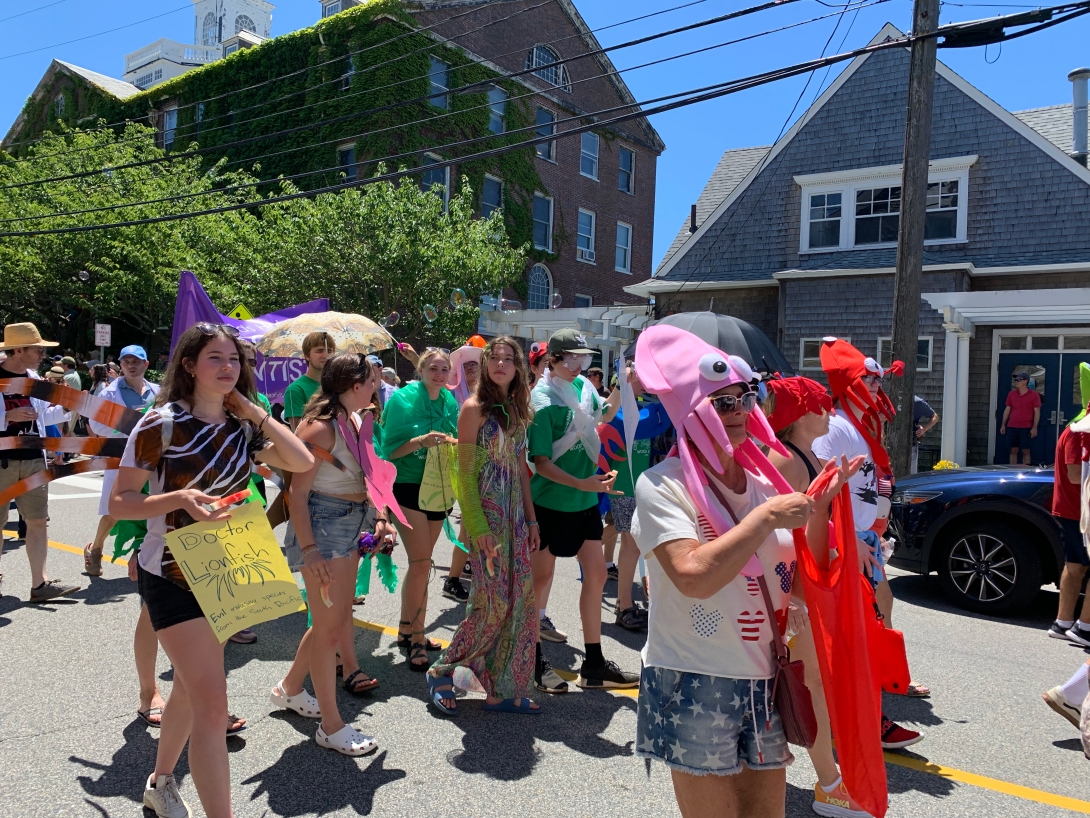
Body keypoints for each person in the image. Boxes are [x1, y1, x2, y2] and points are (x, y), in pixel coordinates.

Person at [629, 325, 855, 818]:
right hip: (693, 677)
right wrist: (767, 517)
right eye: (721, 402)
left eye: (744, 399)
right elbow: (692, 575)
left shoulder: (761, 483)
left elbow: (795, 572)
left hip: (764, 677)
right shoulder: (661, 485)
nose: (738, 412)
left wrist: (821, 510)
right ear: (690, 410)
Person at [110, 322, 312, 818]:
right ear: (188, 365)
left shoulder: (241, 426)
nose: (227, 368)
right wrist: (179, 498)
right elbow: (120, 502)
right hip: (172, 575)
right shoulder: (160, 424)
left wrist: (252, 411)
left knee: (190, 687)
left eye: (234, 360)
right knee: (211, 705)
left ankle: (160, 783)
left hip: (228, 570)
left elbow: (301, 460)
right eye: (215, 359)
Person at [762, 376, 871, 817]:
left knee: (808, 686)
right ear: (798, 414)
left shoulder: (804, 454)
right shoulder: (787, 459)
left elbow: (810, 520)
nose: (829, 412)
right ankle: (829, 784)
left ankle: (823, 776)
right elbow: (779, 536)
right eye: (820, 405)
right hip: (792, 594)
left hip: (802, 591)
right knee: (809, 688)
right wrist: (793, 601)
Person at [275, 353, 394, 754]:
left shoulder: (355, 419)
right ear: (352, 385)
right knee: (330, 629)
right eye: (370, 380)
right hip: (324, 528)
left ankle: (291, 688)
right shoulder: (320, 428)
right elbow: (297, 492)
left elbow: (368, 475)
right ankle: (331, 725)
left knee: (335, 620)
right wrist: (309, 549)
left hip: (350, 521)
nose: (376, 385)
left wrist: (379, 516)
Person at [811, 339, 926, 750]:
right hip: (847, 545)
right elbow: (817, 491)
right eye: (869, 381)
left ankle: (864, 711)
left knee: (864, 631)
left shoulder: (862, 428)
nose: (878, 388)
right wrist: (845, 542)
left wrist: (875, 532)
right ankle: (861, 722)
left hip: (865, 542)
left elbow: (871, 486)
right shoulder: (837, 427)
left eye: (879, 382)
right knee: (851, 637)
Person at [427, 336, 541, 714]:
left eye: (509, 359)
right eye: (495, 357)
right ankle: (443, 670)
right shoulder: (474, 409)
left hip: (516, 523)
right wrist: (478, 528)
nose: (501, 364)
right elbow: (464, 474)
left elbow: (523, 472)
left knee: (519, 602)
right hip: (488, 522)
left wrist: (532, 519)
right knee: (491, 604)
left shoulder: (519, 411)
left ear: (518, 368)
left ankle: (500, 685)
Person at [528, 329, 636, 692]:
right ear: (553, 360)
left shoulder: (583, 389)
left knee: (596, 575)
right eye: (571, 358)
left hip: (584, 500)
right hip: (549, 504)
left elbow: (603, 415)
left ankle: (593, 663)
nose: (578, 365)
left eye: (584, 359)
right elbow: (540, 462)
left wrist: (623, 384)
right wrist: (582, 483)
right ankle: (533, 661)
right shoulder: (542, 400)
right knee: (539, 581)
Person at [377, 347, 459, 671]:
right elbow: (389, 450)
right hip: (409, 486)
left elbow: (454, 442)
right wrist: (422, 441)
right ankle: (417, 639)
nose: (439, 374)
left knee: (420, 564)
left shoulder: (450, 402)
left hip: (439, 487)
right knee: (422, 562)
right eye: (433, 368)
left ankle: (405, 627)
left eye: (444, 370)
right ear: (421, 369)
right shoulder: (402, 400)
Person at [0, 322, 77, 602]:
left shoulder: (34, 380)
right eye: (37, 349)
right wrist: (7, 417)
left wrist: (66, 406)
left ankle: (40, 585)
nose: (42, 353)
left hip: (33, 458)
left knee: (37, 521)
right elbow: (15, 415)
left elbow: (44, 418)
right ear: (18, 350)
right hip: (2, 460)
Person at [599, 360, 672, 631]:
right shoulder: (620, 414)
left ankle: (626, 603)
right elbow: (614, 416)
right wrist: (624, 383)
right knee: (631, 544)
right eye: (639, 376)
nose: (644, 380)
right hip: (625, 486)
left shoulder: (644, 410)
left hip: (643, 485)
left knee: (634, 545)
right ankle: (625, 605)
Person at [442, 344, 485, 603]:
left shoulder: (488, 395)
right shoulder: (453, 395)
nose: (470, 369)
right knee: (469, 526)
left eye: (474, 365)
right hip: (463, 465)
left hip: (488, 467)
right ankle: (453, 580)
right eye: (465, 365)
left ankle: (468, 570)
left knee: (476, 526)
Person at [1046, 414, 1090, 645]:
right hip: (1078, 510)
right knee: (1077, 566)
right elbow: (1075, 474)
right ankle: (1085, 629)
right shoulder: (1082, 430)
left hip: (1075, 509)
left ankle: (1063, 623)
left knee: (1075, 565)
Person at [283, 332, 336, 430]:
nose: (325, 355)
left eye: (329, 351)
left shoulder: (339, 385)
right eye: (320, 351)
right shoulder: (295, 390)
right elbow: (298, 430)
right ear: (307, 355)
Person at [999, 373, 1041, 465]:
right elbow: (1007, 409)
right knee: (1013, 450)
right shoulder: (1011, 394)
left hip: (1026, 427)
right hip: (1012, 426)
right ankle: (1012, 471)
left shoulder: (1034, 395)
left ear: (1025, 381)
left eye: (1018, 380)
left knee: (1026, 450)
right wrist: (1003, 424)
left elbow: (1037, 411)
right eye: (1015, 380)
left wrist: (1034, 427)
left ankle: (1026, 471)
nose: (1016, 382)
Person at [911, 396, 939, 474]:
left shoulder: (917, 402)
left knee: (911, 474)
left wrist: (924, 429)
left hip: (910, 444)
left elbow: (935, 417)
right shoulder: (892, 398)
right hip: (891, 444)